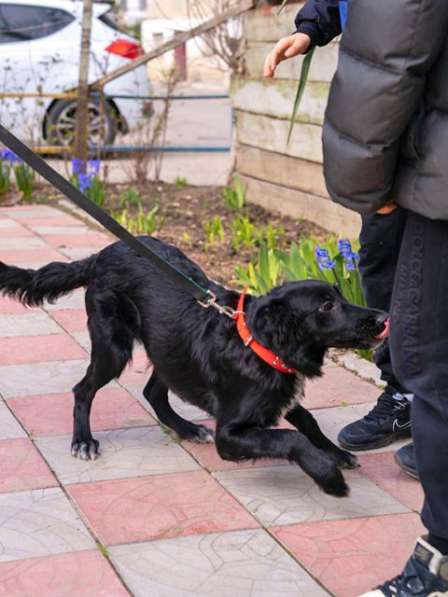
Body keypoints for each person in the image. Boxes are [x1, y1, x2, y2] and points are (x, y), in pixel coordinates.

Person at [264, 0, 448, 594]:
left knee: (429, 357)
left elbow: (395, 40)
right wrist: (317, 21)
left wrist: (363, 181)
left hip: (432, 166)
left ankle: (441, 563)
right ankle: (402, 398)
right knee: (384, 281)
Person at [264, 0, 417, 478]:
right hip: (386, 128)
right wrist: (312, 27)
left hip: (422, 119)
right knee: (382, 267)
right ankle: (406, 396)